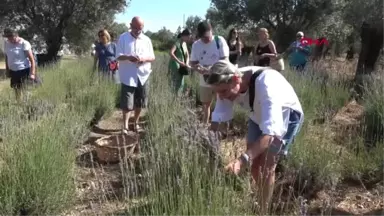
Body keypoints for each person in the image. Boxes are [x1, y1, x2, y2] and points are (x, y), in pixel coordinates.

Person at [206, 60, 304, 214]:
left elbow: (270, 134)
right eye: (217, 92)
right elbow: (217, 124)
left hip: (285, 114)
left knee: (267, 165)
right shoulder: (224, 84)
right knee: (254, 165)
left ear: (236, 80)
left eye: (224, 92)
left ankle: (264, 210)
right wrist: (207, 150)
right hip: (257, 115)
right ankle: (261, 195)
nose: (221, 97)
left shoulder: (265, 86)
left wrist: (240, 161)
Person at [116, 16, 155, 133]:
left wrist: (143, 59)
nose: (138, 30)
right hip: (128, 75)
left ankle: (136, 123)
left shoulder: (147, 40)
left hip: (143, 75)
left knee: (140, 101)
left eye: (140, 28)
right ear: (130, 26)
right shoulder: (123, 38)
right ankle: (125, 126)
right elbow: (118, 56)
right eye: (136, 28)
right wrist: (128, 57)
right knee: (127, 103)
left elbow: (152, 57)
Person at [189, 21, 230, 125]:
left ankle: (221, 126)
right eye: (203, 37)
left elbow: (225, 60)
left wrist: (211, 68)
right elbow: (192, 62)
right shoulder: (196, 45)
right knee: (205, 104)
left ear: (211, 31)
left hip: (220, 79)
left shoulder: (219, 41)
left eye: (207, 36)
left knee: (221, 103)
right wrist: (198, 68)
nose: (206, 39)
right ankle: (205, 125)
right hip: (205, 80)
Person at [3, 28, 36, 101]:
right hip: (13, 71)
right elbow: (7, 57)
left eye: (11, 37)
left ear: (16, 35)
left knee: (25, 90)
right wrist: (7, 70)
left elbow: (32, 60)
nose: (9, 39)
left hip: (24, 70)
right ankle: (18, 103)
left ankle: (27, 105)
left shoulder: (24, 43)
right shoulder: (6, 43)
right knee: (16, 89)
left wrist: (32, 73)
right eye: (8, 37)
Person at [168, 29, 191, 95]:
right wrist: (179, 62)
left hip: (182, 67)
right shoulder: (177, 43)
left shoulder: (184, 44)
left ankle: (178, 98)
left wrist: (186, 62)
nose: (189, 39)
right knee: (174, 84)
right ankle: (173, 99)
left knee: (181, 83)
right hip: (174, 67)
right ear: (183, 36)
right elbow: (171, 53)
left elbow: (187, 54)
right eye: (188, 37)